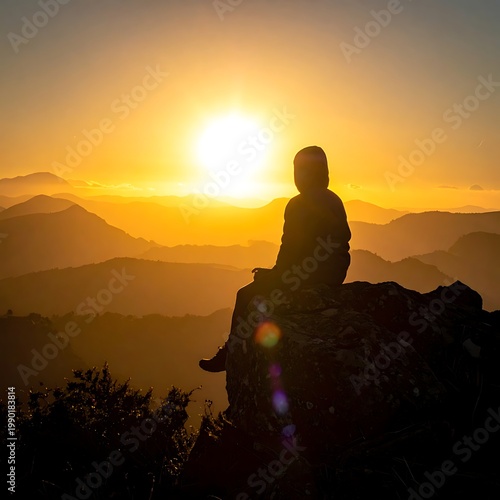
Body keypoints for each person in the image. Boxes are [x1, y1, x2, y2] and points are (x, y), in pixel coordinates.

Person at [199, 146, 351, 372]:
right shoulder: (334, 199)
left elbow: (291, 247)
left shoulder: (299, 204)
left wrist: (276, 274)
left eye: (299, 170)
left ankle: (230, 353)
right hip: (334, 273)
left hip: (308, 275)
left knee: (245, 295)